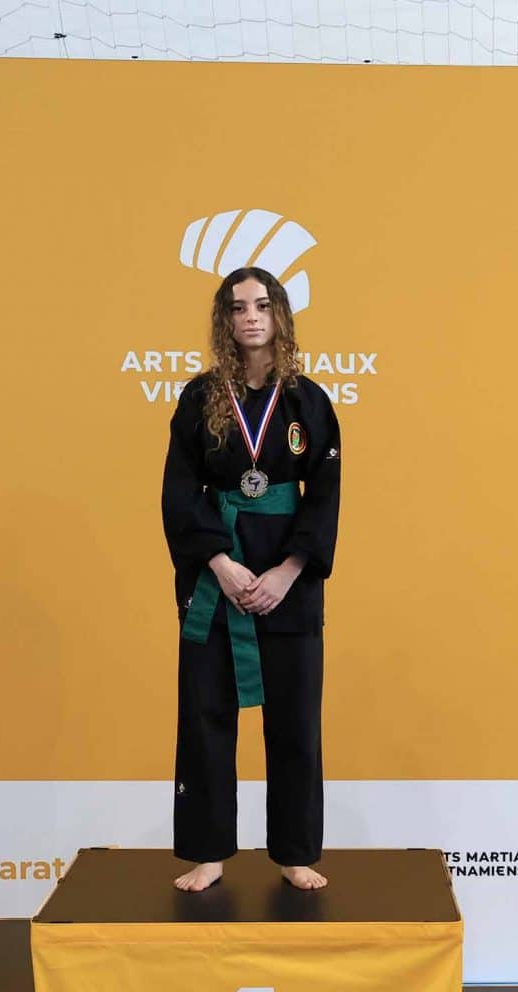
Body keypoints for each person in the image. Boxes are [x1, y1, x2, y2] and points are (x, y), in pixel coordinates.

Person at [161, 267, 341, 893]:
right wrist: (221, 562)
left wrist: (288, 572)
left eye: (262, 306)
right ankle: (207, 852)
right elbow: (180, 491)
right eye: (238, 308)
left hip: (289, 583)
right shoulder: (200, 397)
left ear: (280, 314)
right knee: (205, 717)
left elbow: (325, 495)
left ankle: (295, 851)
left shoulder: (308, 401)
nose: (251, 318)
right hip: (219, 578)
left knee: (296, 721)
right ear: (225, 320)